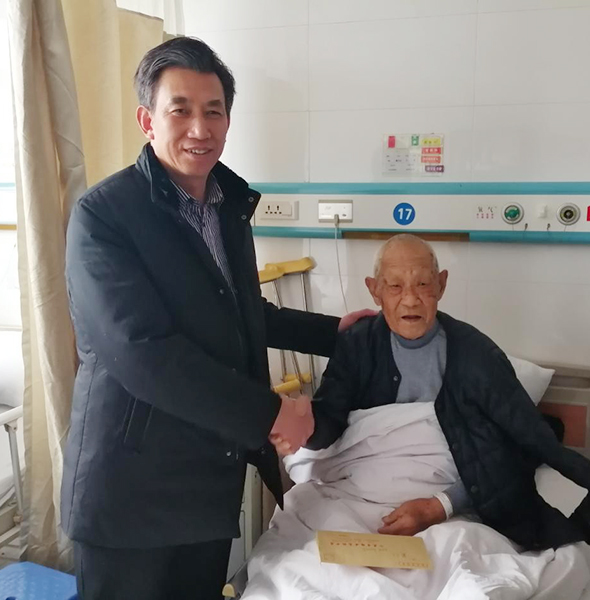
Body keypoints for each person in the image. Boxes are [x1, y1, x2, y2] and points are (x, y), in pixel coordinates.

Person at [62, 36, 370, 600]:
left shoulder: (227, 205)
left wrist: (333, 333)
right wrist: (272, 412)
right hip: (131, 491)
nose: (199, 129)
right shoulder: (105, 217)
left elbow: (242, 311)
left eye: (214, 111)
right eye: (180, 110)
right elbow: (143, 353)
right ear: (147, 120)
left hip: (207, 480)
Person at [275, 234, 590, 550]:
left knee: (467, 566)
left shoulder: (477, 357)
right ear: (374, 290)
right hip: (356, 500)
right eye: (395, 286)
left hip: (455, 508)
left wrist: (440, 506)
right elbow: (330, 422)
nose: (410, 299)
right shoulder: (356, 346)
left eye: (423, 284)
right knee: (308, 556)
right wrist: (304, 426)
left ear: (441, 285)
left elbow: (514, 448)